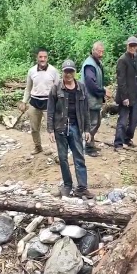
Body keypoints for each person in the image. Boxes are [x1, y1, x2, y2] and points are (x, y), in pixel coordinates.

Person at [49, 60, 91, 197]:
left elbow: (86, 110)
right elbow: (50, 110)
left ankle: (82, 187)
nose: (68, 74)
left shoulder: (81, 88)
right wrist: (50, 130)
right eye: (66, 71)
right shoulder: (56, 88)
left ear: (74, 72)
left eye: (71, 71)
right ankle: (67, 185)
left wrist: (87, 129)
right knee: (63, 158)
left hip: (76, 127)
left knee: (79, 157)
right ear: (62, 72)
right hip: (60, 128)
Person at [22, 48, 57, 154]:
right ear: (36, 58)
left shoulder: (53, 71)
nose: (43, 59)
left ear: (47, 58)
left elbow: (58, 89)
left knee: (52, 128)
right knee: (34, 128)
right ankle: (38, 147)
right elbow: (28, 88)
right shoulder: (31, 71)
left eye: (45, 57)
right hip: (34, 102)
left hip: (49, 103)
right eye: (40, 57)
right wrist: (24, 102)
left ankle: (55, 151)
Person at [113, 36, 137, 150]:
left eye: (134, 46)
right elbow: (121, 80)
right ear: (127, 46)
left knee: (134, 119)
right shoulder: (122, 60)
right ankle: (118, 143)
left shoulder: (135, 57)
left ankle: (127, 138)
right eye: (130, 45)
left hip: (134, 95)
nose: (132, 48)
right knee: (123, 120)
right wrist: (124, 97)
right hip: (125, 96)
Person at [82, 41, 108, 156]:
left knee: (96, 123)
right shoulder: (89, 65)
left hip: (94, 99)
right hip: (89, 99)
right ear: (93, 50)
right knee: (92, 124)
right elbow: (90, 83)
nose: (101, 53)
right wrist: (103, 92)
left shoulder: (96, 63)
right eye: (99, 51)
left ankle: (90, 144)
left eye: (102, 51)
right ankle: (88, 148)